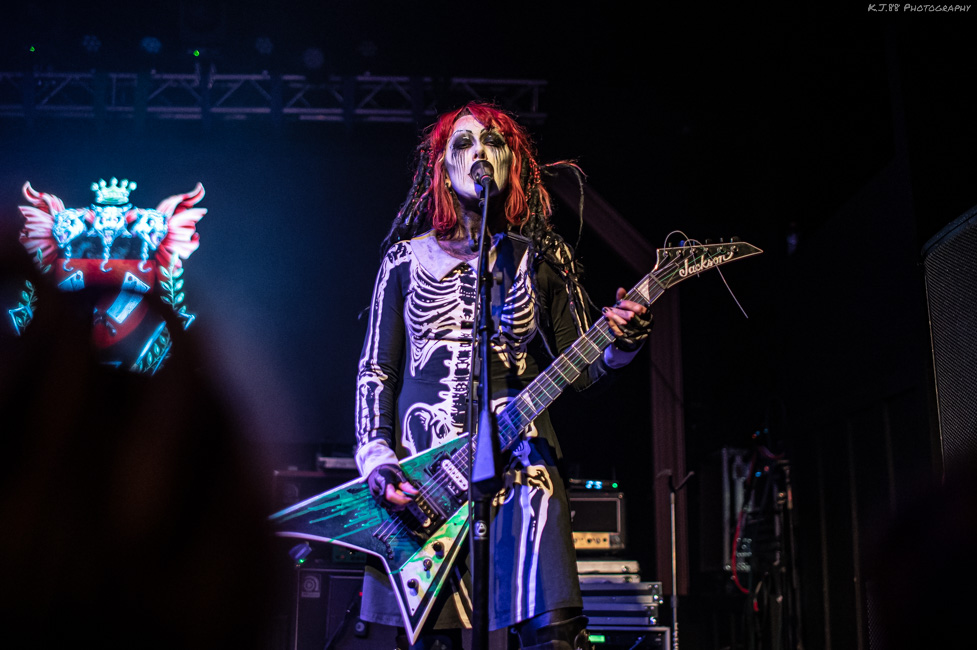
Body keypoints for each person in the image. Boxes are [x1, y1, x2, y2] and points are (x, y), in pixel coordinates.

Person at [353, 101, 653, 650]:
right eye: (462, 145)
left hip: (524, 474)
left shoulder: (542, 257)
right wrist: (377, 458)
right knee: (429, 640)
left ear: (513, 164)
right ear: (443, 168)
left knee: (554, 637)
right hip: (425, 483)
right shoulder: (403, 260)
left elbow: (582, 370)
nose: (479, 154)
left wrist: (624, 345)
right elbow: (377, 368)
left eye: (494, 143)